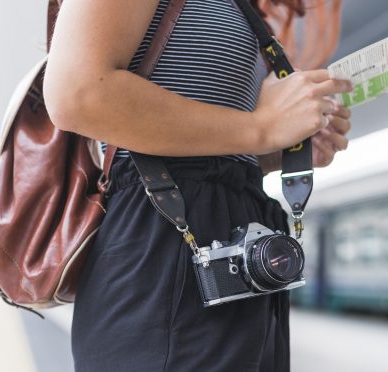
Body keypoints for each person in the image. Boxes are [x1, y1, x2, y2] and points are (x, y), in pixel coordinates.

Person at [43, 0, 352, 371]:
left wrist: (272, 150)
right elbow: (79, 93)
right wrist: (261, 129)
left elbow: (208, 144)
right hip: (164, 245)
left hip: (224, 255)